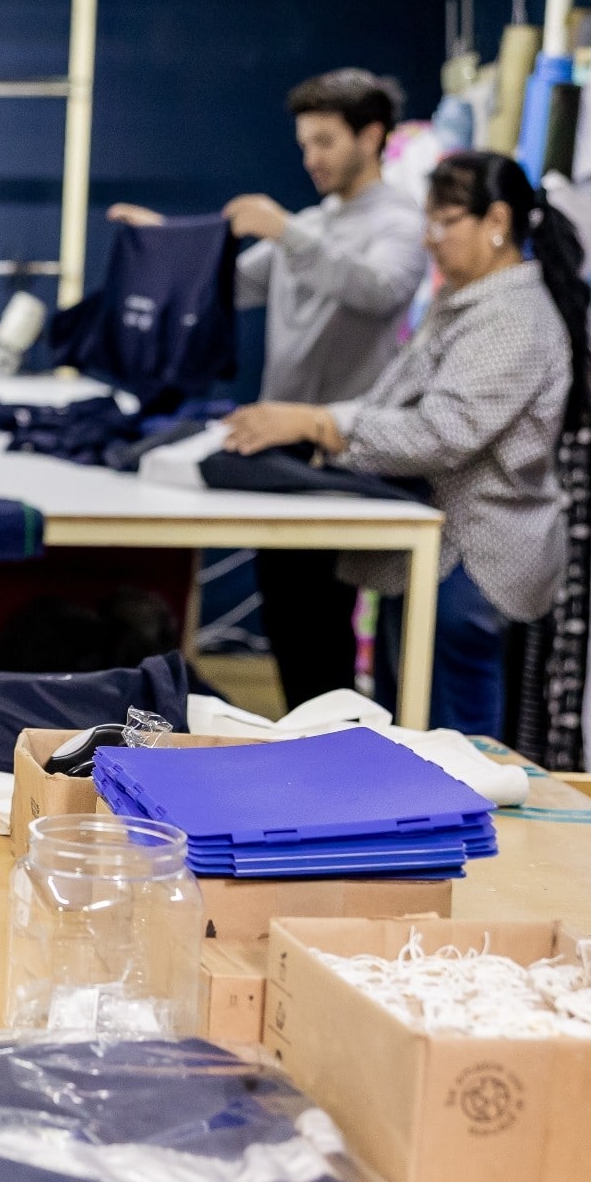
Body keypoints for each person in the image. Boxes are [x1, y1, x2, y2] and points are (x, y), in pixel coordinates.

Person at [222, 151, 590, 735]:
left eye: (444, 222)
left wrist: (319, 424)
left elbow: (444, 433)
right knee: (415, 730)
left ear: (497, 220)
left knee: (456, 748)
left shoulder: (511, 316)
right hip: (439, 555)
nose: (429, 239)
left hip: (474, 559)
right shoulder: (464, 304)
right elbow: (396, 404)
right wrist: (316, 420)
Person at [110, 70, 429, 709]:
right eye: (304, 145)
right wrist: (166, 240)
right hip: (281, 449)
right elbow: (228, 283)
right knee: (293, 621)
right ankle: (316, 755)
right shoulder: (314, 221)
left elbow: (379, 288)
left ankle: (337, 763)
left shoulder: (399, 222)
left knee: (319, 632)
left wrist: (285, 230)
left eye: (325, 142)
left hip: (344, 455)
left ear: (372, 137)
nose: (310, 158)